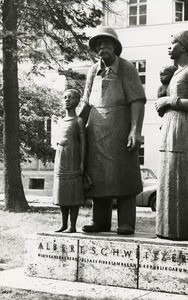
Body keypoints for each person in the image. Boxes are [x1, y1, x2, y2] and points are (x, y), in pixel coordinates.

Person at [79, 27, 146, 235]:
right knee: (98, 178)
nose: (101, 47)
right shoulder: (92, 71)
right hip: (96, 132)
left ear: (115, 46)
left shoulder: (126, 68)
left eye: (106, 43)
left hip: (120, 128)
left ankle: (126, 222)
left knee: (124, 175)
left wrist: (135, 130)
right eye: (98, 45)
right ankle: (100, 221)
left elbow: (137, 101)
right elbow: (85, 102)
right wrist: (72, 125)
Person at [155, 30, 188, 240]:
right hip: (170, 129)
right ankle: (167, 229)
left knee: (184, 178)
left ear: (183, 47)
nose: (169, 46)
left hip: (186, 131)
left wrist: (169, 102)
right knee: (168, 178)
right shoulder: (175, 73)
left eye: (173, 42)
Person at [53, 89, 86, 233]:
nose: (67, 100)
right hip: (61, 158)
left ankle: (72, 225)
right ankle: (63, 224)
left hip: (73, 156)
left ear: (77, 101)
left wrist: (82, 162)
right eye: (64, 97)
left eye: (70, 97)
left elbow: (84, 142)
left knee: (73, 193)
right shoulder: (61, 121)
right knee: (62, 192)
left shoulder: (78, 121)